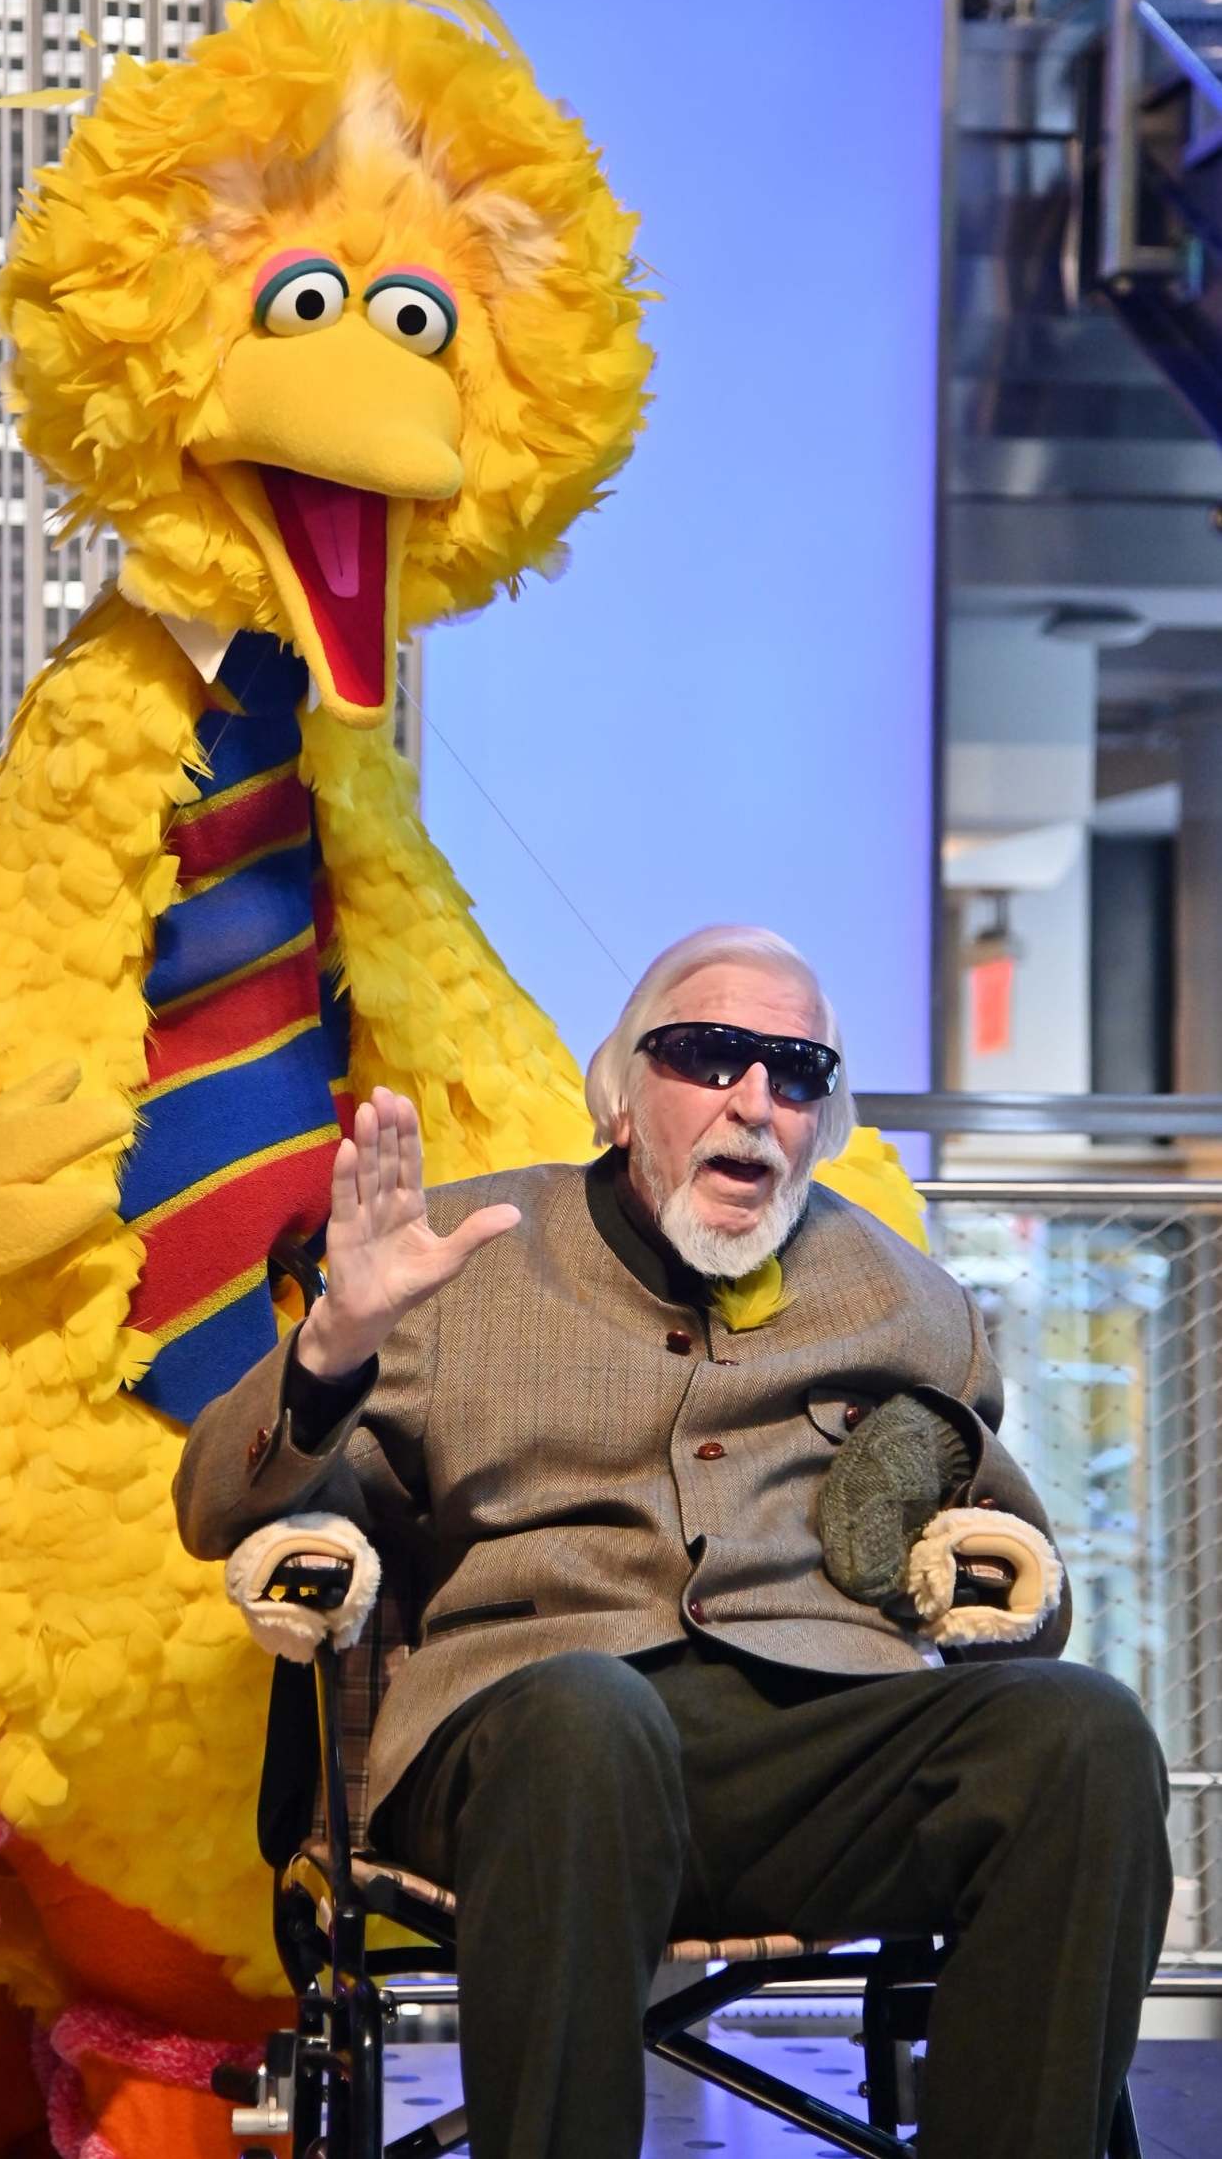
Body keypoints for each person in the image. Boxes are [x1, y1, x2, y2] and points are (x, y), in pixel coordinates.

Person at [175, 925, 1171, 2159]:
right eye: (709, 1054)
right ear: (621, 1095)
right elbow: (216, 1504)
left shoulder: (907, 1301)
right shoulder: (453, 1262)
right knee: (593, 1719)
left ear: (824, 1123)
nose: (754, 1100)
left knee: (1084, 1732)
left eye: (797, 1070)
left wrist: (943, 1513)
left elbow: (1028, 1584)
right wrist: (332, 1346)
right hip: (529, 1743)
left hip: (807, 1756)